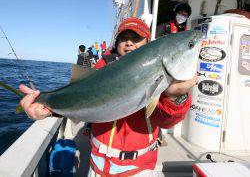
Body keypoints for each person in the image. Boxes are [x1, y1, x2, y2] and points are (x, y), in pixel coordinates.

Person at [19, 17, 197, 176]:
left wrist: (174, 98)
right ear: (117, 42)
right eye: (124, 38)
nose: (129, 43)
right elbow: (81, 101)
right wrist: (48, 109)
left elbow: (166, 121)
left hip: (140, 167)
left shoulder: (169, 80)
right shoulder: (102, 67)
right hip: (98, 164)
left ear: (148, 43)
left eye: (136, 38)